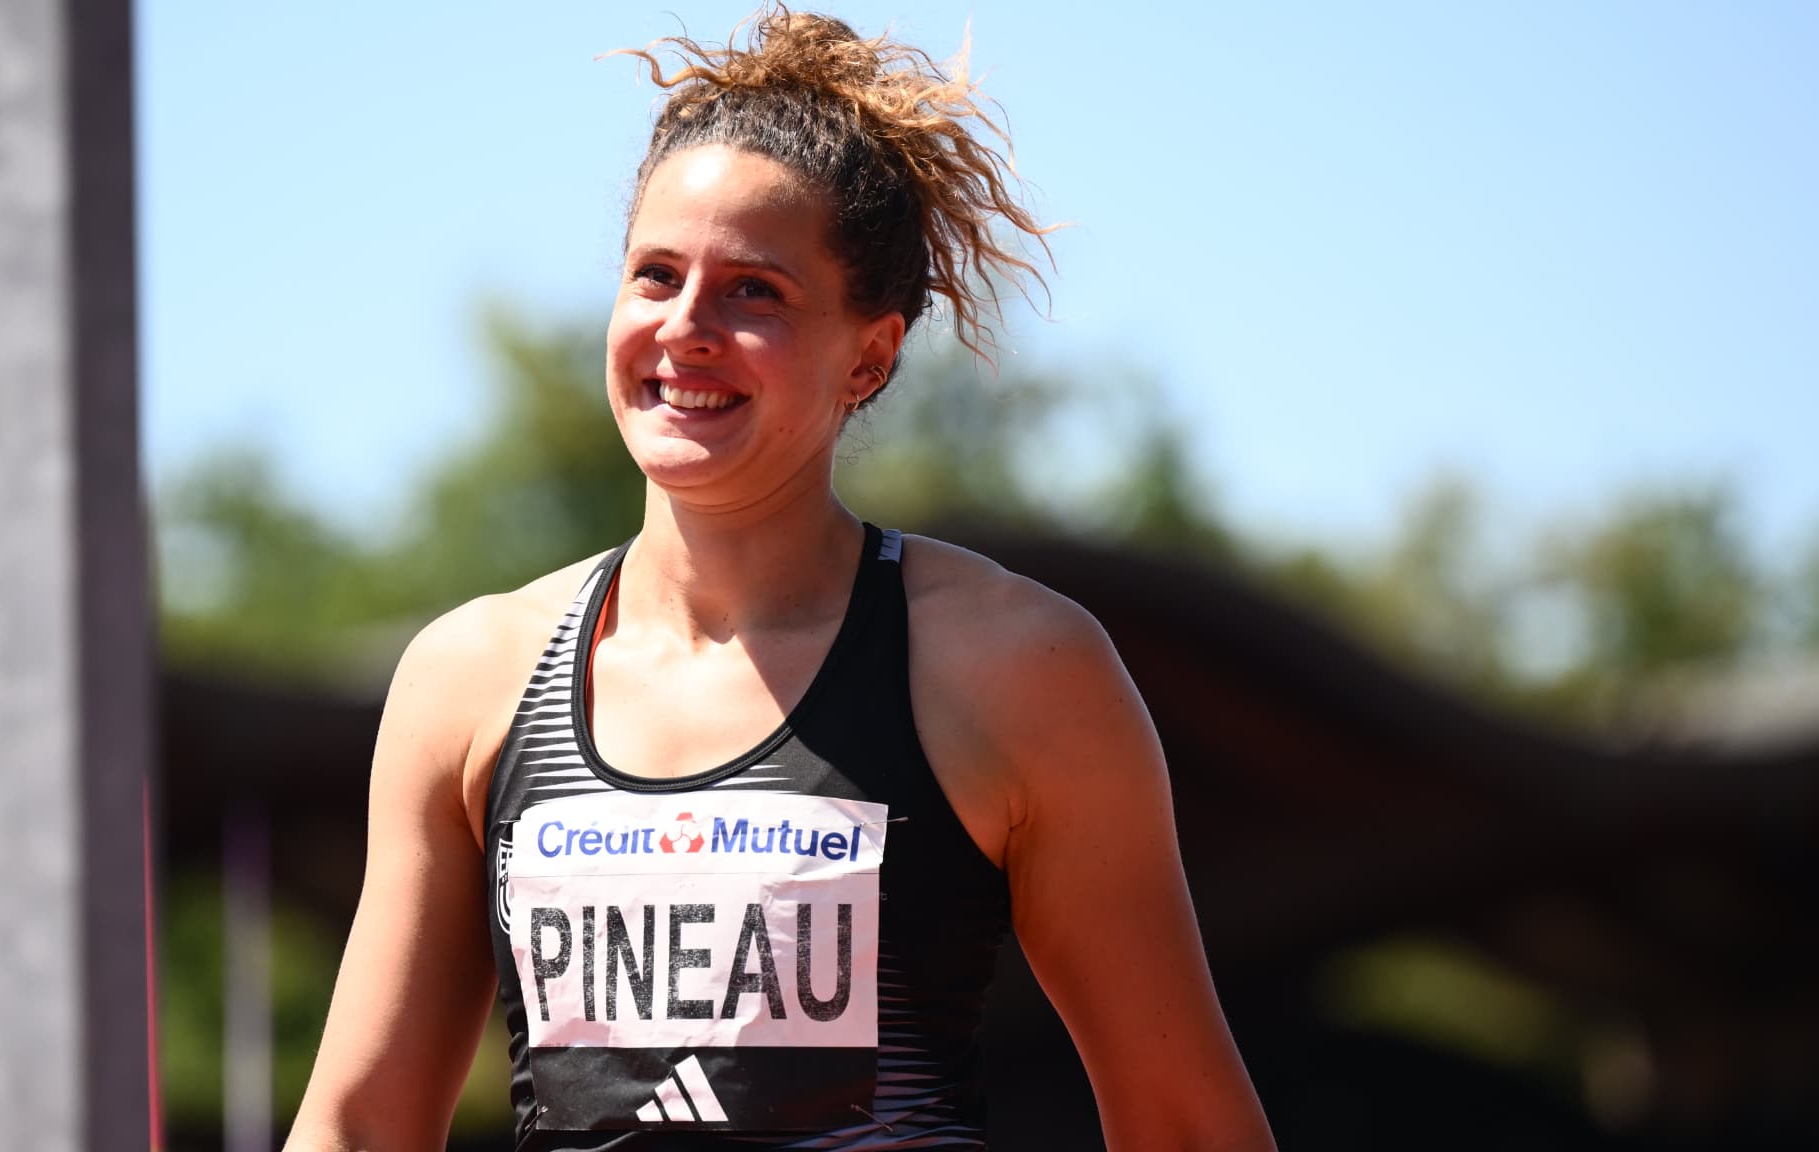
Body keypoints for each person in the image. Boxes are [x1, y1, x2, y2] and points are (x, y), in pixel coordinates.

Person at [285, 7, 1275, 1150]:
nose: (684, 328)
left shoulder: (1014, 666)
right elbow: (356, 1125)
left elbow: (1185, 1124)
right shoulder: (472, 677)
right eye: (655, 275)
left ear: (870, 354)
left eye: (753, 290)